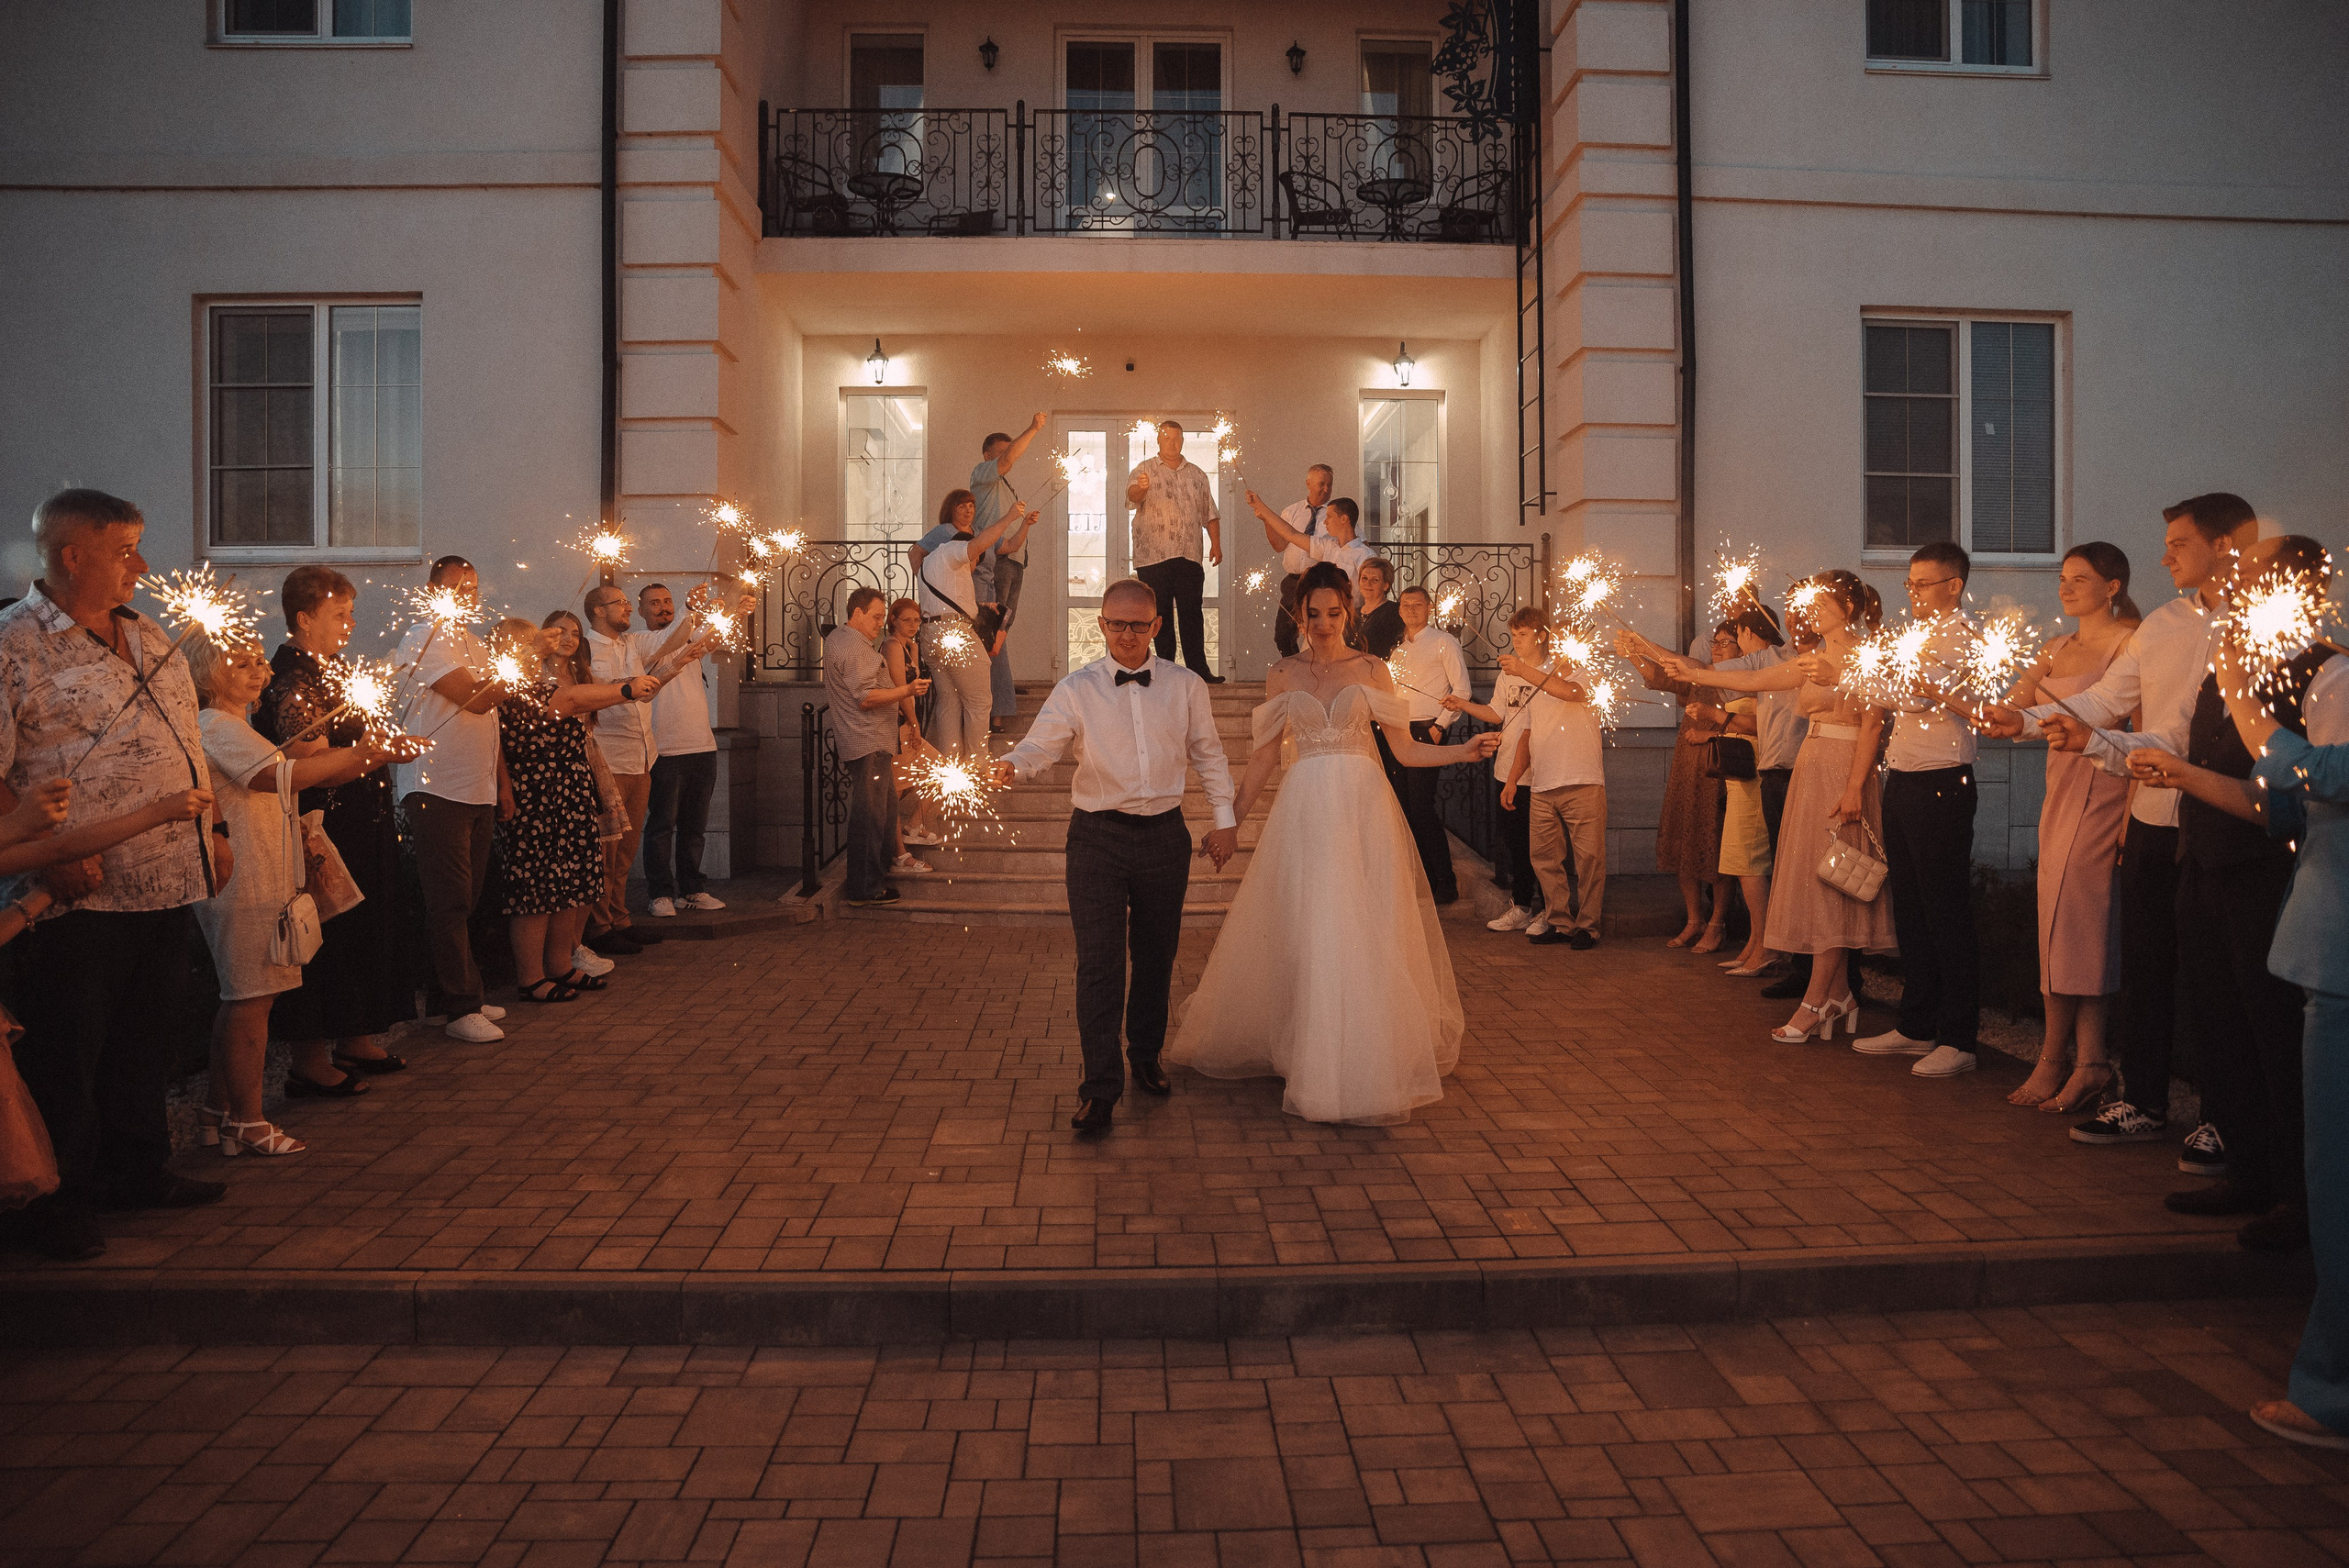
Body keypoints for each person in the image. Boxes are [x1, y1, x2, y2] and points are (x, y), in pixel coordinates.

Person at [1979, 494, 2259, 1168]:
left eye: (2179, 543)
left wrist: (2099, 741)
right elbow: (2106, 701)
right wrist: (2022, 721)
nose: (2162, 556)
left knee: (2214, 976)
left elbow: (2193, 734)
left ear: (2226, 545)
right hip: (2152, 815)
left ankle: (2228, 1116)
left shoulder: (2255, 627)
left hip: (2219, 819)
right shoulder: (2162, 624)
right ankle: (2145, 1098)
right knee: (2148, 965)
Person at [1168, 563, 1498, 1125]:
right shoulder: (1281, 674)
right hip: (1304, 810)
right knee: (1310, 925)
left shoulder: (1373, 670)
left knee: (1358, 924)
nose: (1323, 623)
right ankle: (1309, 1051)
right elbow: (1263, 762)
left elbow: (1405, 752)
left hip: (1362, 808)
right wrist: (1231, 822)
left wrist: (1462, 753)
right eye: (1312, 613)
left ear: (1349, 611)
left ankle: (1359, 1057)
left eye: (1333, 612)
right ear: (1299, 615)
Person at [0, 489, 234, 1259]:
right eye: (125, 548)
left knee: (144, 1033)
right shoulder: (14, 644)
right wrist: (56, 851)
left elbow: (184, 740)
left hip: (165, 878)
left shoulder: (149, 633)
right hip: (72, 893)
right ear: (73, 555)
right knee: (69, 1044)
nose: (141, 564)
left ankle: (140, 1167)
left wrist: (216, 828)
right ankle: (58, 1197)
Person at [2164, 595, 2349, 1448]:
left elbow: (2323, 775)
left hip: (2341, 956)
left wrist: (2245, 704)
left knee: (2336, 1171)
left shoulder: (2332, 674)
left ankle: (2333, 1390)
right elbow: (2285, 806)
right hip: (2322, 952)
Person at [2117, 535, 2332, 1253]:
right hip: (2203, 862)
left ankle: (2300, 1198)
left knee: (2275, 1036)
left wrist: (2184, 777)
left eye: (2254, 572)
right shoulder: (2230, 660)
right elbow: (2189, 742)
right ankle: (2247, 1168)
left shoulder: (2319, 673)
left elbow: (2288, 798)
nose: (2235, 581)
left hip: (2265, 873)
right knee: (2221, 1026)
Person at [992, 578, 1238, 1135]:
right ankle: (1100, 1088)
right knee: (1099, 963)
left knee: (1156, 956)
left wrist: (1224, 822)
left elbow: (1209, 755)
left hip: (1163, 836)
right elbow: (1040, 744)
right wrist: (1013, 764)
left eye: (1138, 624)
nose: (1126, 634)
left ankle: (1145, 1056)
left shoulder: (1185, 685)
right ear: (1101, 625)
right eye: (1115, 624)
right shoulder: (1076, 688)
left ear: (1156, 626)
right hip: (1097, 839)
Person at [189, 633, 408, 1158]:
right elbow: (280, 777)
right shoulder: (216, 724)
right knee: (249, 1001)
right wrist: (364, 753)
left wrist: (370, 758)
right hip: (244, 878)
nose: (258, 672)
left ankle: (217, 1112)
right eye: (239, 664)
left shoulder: (236, 726)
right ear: (207, 672)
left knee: (244, 998)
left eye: (258, 663)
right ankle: (248, 1119)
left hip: (264, 872)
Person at [1676, 571, 1894, 1043]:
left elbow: (1874, 723)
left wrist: (1856, 786)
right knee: (1814, 880)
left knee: (1832, 884)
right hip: (1811, 765)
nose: (1810, 610)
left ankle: (1817, 1001)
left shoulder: (1865, 654)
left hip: (1841, 770)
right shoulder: (1814, 657)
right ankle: (1837, 995)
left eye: (1821, 603)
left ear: (1848, 609)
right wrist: (1695, 673)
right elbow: (1757, 677)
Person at [256, 565, 411, 1092]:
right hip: (325, 826)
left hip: (361, 818)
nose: (348, 624)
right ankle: (309, 1058)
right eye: (338, 614)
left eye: (351, 613)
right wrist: (376, 754)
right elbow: (307, 759)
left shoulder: (337, 669)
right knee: (328, 935)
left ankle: (355, 1035)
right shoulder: (292, 680)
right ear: (303, 618)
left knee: (364, 928)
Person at [1998, 543, 2140, 1113]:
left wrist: (2133, 815)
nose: (2066, 586)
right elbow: (2013, 712)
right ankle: (2058, 1056)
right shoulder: (2053, 649)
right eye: (2062, 577)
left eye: (2080, 578)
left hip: (2107, 791)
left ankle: (2087, 1062)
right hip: (2062, 791)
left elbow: (2142, 726)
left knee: (2086, 923)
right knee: (2052, 920)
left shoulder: (2133, 642)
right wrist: (1983, 706)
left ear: (2112, 585)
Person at [1850, 541, 1984, 1078]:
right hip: (1903, 778)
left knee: (1945, 906)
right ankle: (1917, 1023)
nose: (1914, 593)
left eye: (1923, 584)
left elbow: (1918, 696)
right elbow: (1882, 690)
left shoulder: (1965, 638)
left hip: (1943, 783)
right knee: (1911, 905)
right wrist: (1856, 673)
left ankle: (1959, 1037)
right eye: (1909, 584)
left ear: (1953, 585)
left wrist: (1869, 675)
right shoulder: (1915, 637)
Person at [495, 617, 656, 1004]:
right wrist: (628, 688)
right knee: (538, 887)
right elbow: (568, 703)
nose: (548, 645)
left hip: (570, 790)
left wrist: (656, 675)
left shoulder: (550, 681)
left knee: (574, 880)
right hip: (535, 795)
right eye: (535, 641)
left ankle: (560, 964)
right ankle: (531, 977)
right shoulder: (512, 690)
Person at [394, 555, 508, 1044]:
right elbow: (476, 698)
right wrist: (517, 669)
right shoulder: (424, 637)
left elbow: (491, 722)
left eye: (473, 586)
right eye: (457, 586)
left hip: (475, 785)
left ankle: (451, 998)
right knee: (450, 898)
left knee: (470, 896)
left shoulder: (476, 643)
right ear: (433, 589)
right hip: (435, 784)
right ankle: (462, 1004)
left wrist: (501, 783)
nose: (468, 595)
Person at [580, 583, 685, 956]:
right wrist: (627, 684)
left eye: (627, 603)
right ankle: (599, 926)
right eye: (620, 603)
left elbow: (671, 640)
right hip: (610, 758)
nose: (627, 608)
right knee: (604, 850)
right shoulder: (586, 649)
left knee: (626, 848)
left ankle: (620, 918)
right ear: (597, 611)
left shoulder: (633, 643)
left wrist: (702, 613)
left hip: (642, 756)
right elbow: (599, 692)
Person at [1709, 606, 1809, 994]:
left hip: (1784, 770)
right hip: (1766, 771)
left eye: (1728, 638)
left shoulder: (1793, 664)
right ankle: (1766, 946)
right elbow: (1695, 673)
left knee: (1766, 864)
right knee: (1775, 865)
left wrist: (1718, 720)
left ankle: (1773, 949)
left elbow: (1754, 720)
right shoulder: (1766, 663)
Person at [1622, 624, 1736, 951]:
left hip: (1721, 772)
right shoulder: (1701, 678)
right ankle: (1694, 919)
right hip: (1688, 770)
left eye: (1727, 643)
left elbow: (1752, 727)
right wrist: (1634, 655)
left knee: (1717, 848)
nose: (1717, 647)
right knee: (1684, 842)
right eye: (1716, 642)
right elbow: (1663, 678)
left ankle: (1717, 924)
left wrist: (1644, 642)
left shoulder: (1741, 680)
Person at [1445, 608, 1550, 931]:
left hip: (1542, 771)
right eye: (1514, 635)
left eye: (1524, 634)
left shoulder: (1553, 672)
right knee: (1515, 841)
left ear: (1542, 635)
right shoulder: (1507, 676)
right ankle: (1521, 906)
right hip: (1506, 770)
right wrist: (1462, 704)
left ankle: (1548, 908)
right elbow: (1496, 712)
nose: (1517, 641)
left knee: (1542, 846)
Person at [827, 587, 930, 908]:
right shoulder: (855, 647)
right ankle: (866, 888)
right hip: (867, 742)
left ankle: (877, 875)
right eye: (875, 616)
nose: (879, 622)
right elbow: (865, 697)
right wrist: (906, 690)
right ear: (856, 614)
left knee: (882, 812)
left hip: (869, 742)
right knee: (870, 817)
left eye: (882, 617)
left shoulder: (841, 640)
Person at [1500, 632, 1606, 948]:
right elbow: (1527, 735)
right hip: (1541, 784)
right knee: (1544, 857)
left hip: (1582, 780)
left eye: (1567, 639)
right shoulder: (1539, 676)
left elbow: (1570, 693)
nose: (1560, 645)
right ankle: (1559, 921)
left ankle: (1588, 926)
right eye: (1557, 639)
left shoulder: (1591, 672)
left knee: (1589, 859)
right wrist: (1511, 779)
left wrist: (1523, 670)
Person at [634, 582, 729, 918]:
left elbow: (712, 637)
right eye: (654, 603)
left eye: (668, 601)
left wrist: (732, 609)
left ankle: (692, 889)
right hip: (665, 748)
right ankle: (659, 892)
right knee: (662, 824)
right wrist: (691, 609)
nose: (663, 607)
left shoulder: (687, 637)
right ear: (641, 610)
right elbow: (674, 639)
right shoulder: (641, 643)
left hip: (702, 745)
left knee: (694, 825)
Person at [914, 489, 1020, 765]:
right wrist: (1008, 518)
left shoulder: (929, 564)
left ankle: (951, 763)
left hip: (931, 636)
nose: (975, 563)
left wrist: (981, 608)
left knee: (949, 701)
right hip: (956, 635)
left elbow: (949, 602)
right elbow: (979, 543)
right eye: (974, 557)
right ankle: (978, 764)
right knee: (979, 702)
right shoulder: (953, 550)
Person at [1388, 585, 1474, 903]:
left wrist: (1441, 725)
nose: (1411, 610)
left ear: (1429, 608)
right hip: (1399, 731)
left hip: (1428, 729)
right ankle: (1422, 878)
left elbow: (1462, 690)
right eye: (1406, 604)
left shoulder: (1444, 642)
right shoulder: (1398, 650)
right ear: (1399, 609)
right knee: (1405, 807)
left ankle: (1445, 881)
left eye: (1417, 605)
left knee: (1422, 806)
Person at [1127, 421, 1224, 682]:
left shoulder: (1197, 474)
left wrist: (1216, 543)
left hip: (1189, 555)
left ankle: (1199, 671)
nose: (1172, 442)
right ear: (1159, 440)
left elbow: (1210, 513)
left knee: (1192, 612)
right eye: (1167, 438)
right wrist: (1142, 488)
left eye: (1177, 438)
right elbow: (1131, 498)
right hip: (1153, 557)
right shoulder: (1144, 469)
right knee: (1160, 616)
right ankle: (1164, 671)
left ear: (1183, 440)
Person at [969, 414, 1049, 731]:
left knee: (1003, 628)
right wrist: (1032, 428)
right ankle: (993, 704)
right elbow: (1011, 456)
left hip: (1012, 558)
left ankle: (1000, 689)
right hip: (994, 561)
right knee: (991, 632)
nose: (1010, 457)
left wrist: (1025, 526)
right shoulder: (982, 476)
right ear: (989, 457)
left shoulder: (1005, 485)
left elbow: (1012, 540)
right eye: (1003, 453)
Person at [881, 596, 941, 870]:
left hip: (908, 723)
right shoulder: (892, 646)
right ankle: (899, 853)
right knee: (893, 789)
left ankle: (914, 824)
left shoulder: (911, 647)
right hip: (898, 725)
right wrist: (915, 724)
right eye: (907, 620)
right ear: (893, 620)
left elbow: (913, 684)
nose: (914, 625)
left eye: (917, 620)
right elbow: (900, 689)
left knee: (941, 771)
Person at [1270, 464, 1338, 658]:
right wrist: (1267, 521)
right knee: (1283, 635)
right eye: (1321, 484)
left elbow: (1355, 540)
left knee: (1319, 633)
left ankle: (1319, 669)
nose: (1325, 489)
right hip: (1293, 582)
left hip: (1321, 582)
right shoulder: (1291, 512)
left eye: (1329, 485)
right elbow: (1279, 545)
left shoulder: (1336, 514)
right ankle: (1296, 668)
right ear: (1308, 483)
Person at [1358, 558, 1405, 659]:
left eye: (1375, 580)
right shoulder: (1351, 613)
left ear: (1385, 585)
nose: (1368, 583)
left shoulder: (1395, 612)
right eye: (1364, 578)